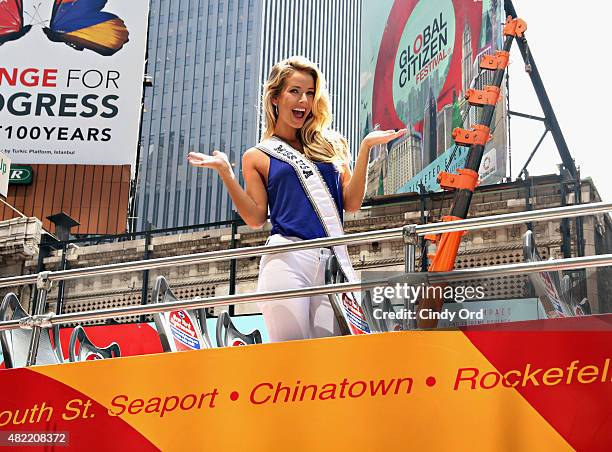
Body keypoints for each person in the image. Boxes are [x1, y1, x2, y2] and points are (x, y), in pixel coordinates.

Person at [188, 56, 405, 342]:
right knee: (291, 353)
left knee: (333, 356)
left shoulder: (331, 145)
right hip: (287, 258)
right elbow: (255, 218)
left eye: (310, 93)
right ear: (276, 97)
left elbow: (351, 203)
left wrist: (365, 148)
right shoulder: (258, 155)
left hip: (331, 263)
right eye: (295, 91)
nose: (304, 99)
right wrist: (227, 174)